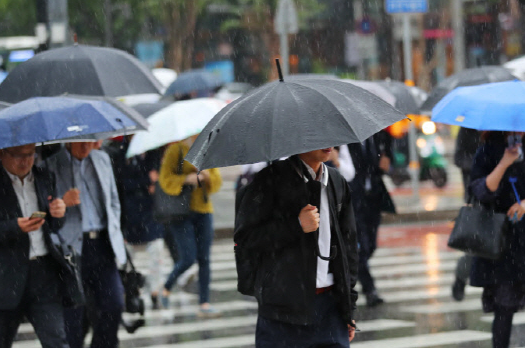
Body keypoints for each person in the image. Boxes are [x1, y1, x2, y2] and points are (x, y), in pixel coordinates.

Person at [235, 149, 358, 348]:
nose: (328, 144)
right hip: (283, 313)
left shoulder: (337, 181)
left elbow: (348, 248)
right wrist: (295, 225)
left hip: (330, 310)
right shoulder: (269, 180)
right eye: (318, 133)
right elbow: (246, 239)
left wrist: (348, 308)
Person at [469, 131, 525, 348]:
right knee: (505, 306)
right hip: (502, 239)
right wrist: (504, 162)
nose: (519, 130)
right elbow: (481, 191)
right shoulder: (487, 150)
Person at [0, 144, 68, 348]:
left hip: (43, 272)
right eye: (18, 155)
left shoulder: (45, 176)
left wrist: (59, 212)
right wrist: (13, 227)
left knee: (56, 340)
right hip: (4, 276)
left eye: (30, 155)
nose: (25, 161)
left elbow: (54, 225)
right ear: (2, 153)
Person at [43, 142, 127, 348]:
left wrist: (114, 229)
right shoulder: (50, 165)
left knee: (114, 304)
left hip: (102, 243)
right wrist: (63, 201)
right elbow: (44, 209)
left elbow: (114, 201)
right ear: (68, 140)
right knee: (73, 313)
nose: (86, 146)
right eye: (81, 141)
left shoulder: (102, 159)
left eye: (91, 141)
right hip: (70, 247)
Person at [159, 136, 222, 316]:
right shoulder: (175, 150)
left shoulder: (207, 151)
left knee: (204, 258)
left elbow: (216, 183)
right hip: (181, 212)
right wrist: (186, 179)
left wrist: (206, 175)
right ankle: (166, 286)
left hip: (203, 210)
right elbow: (165, 180)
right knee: (187, 257)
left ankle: (204, 303)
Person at [106, 139, 165, 310]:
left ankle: (155, 292)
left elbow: (159, 177)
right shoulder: (121, 153)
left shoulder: (154, 150)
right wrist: (146, 180)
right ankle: (129, 292)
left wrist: (155, 182)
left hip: (151, 211)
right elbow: (121, 182)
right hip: (129, 212)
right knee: (126, 258)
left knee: (157, 251)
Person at [347, 131, 395, 307]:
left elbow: (389, 158)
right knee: (361, 247)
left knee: (370, 246)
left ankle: (350, 275)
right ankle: (370, 289)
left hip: (373, 197)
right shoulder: (346, 138)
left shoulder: (379, 135)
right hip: (353, 199)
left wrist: (387, 163)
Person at [451, 127, 481, 301]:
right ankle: (460, 278)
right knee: (476, 245)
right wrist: (479, 162)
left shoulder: (501, 128)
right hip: (475, 197)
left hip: (501, 196)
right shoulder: (468, 129)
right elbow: (459, 158)